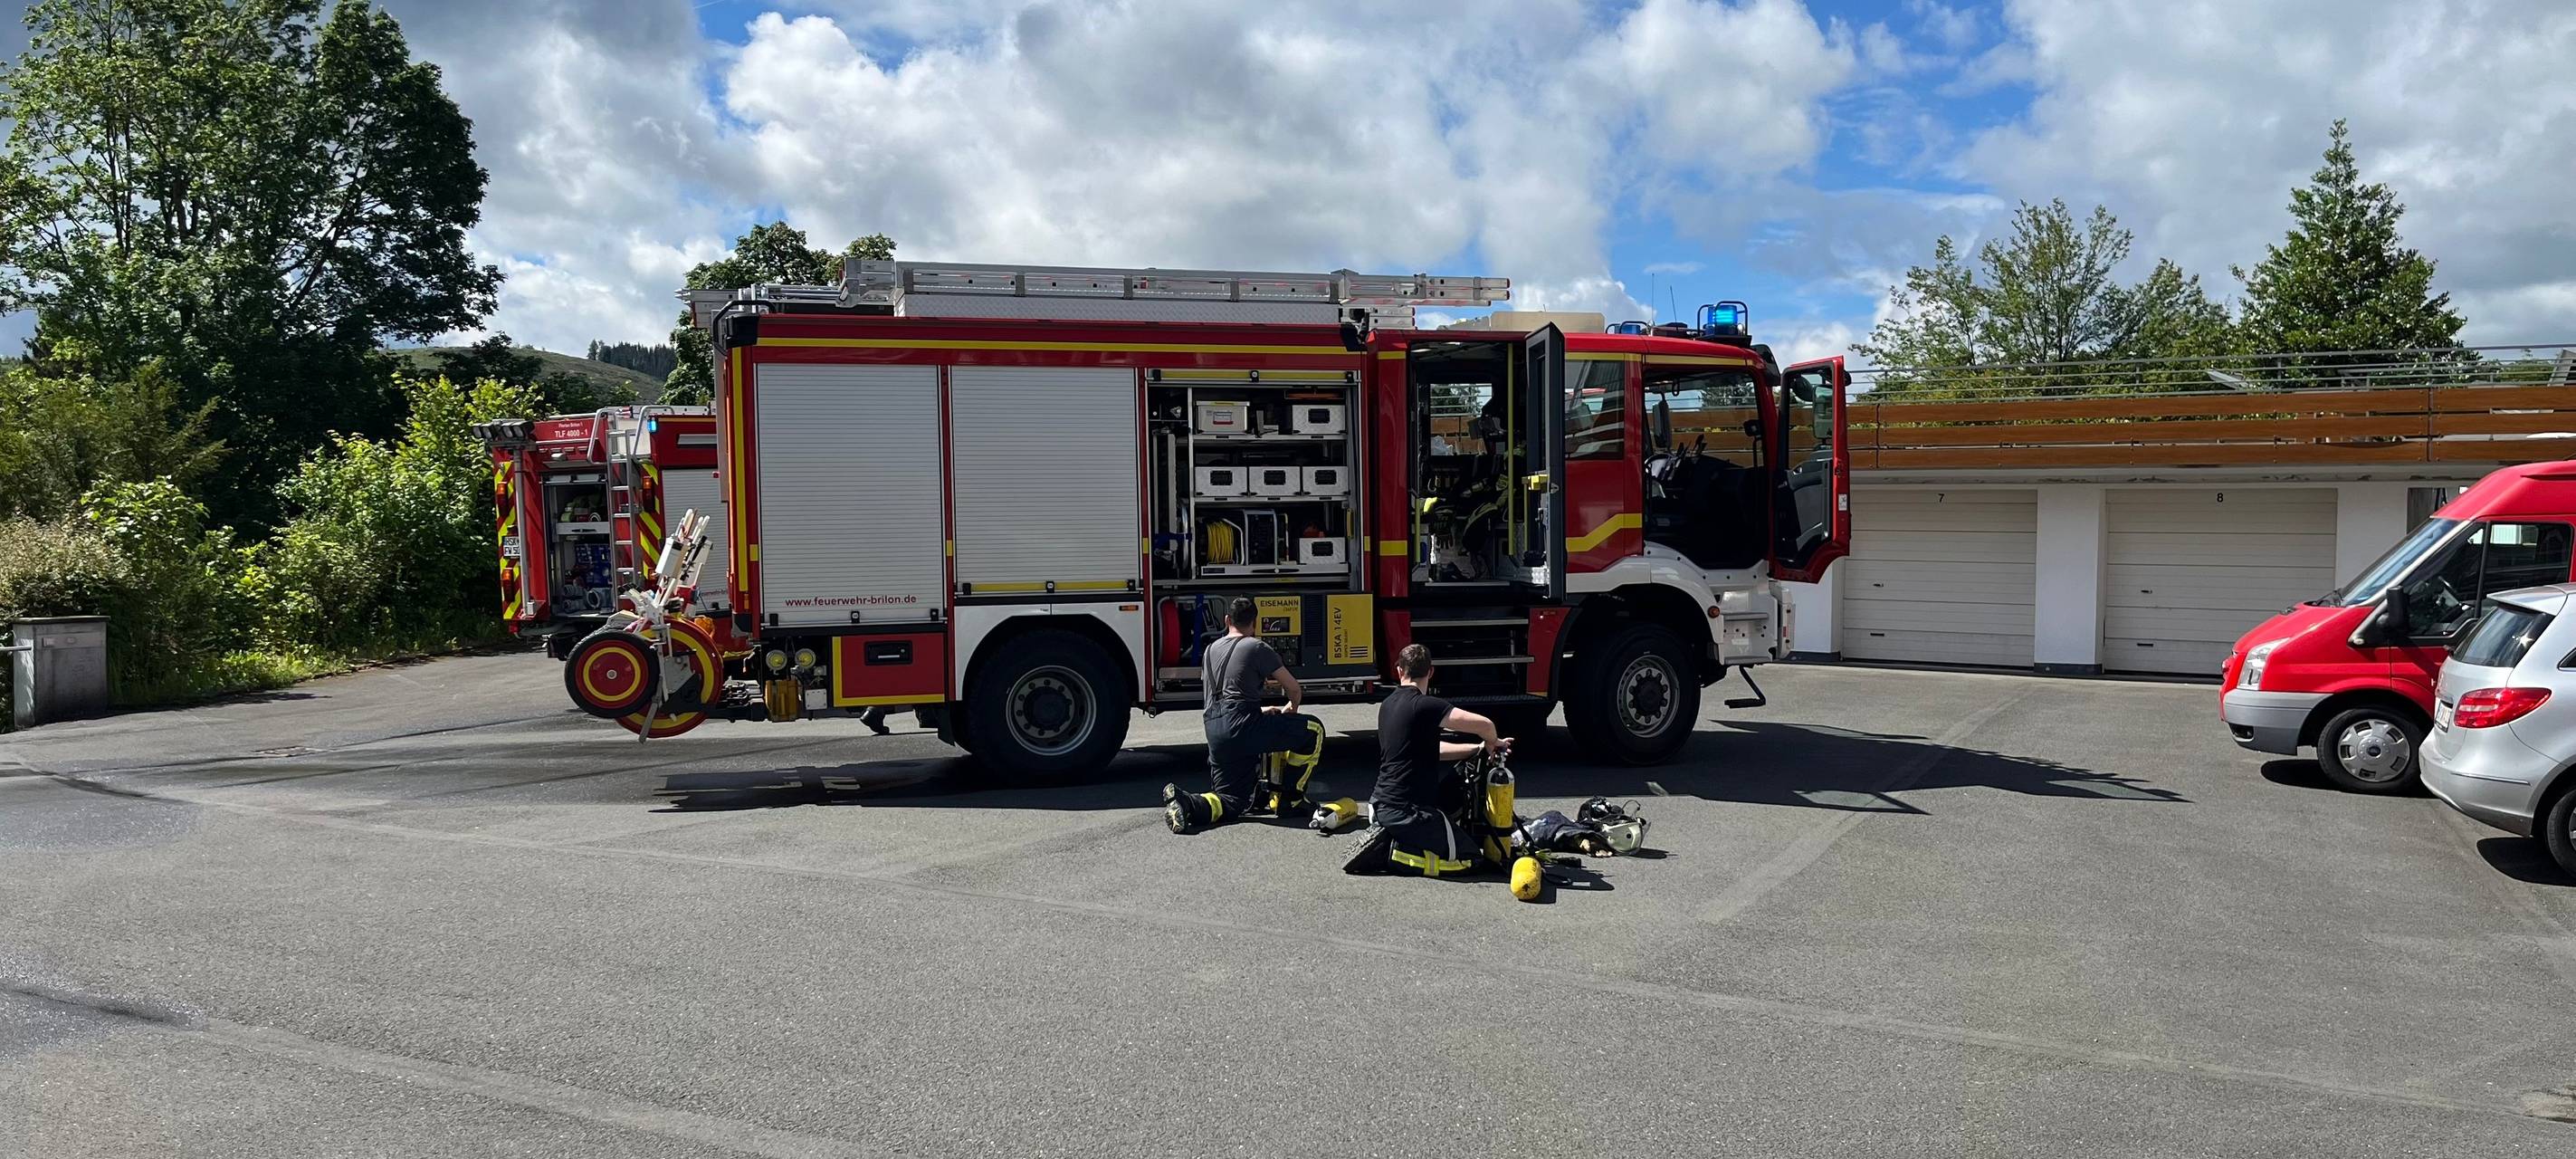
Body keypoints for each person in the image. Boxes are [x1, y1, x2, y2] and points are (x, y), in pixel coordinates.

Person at [1344, 643, 1510, 876]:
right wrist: (1494, 742)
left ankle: (1400, 839)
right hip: (1407, 812)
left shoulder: (1388, 705)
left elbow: (1432, 749)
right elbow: (1485, 724)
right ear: (1431, 672)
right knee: (1471, 859)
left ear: (1399, 670)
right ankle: (1393, 854)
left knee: (1463, 773)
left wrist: (1479, 748)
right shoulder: (1426, 705)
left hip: (1381, 805)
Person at [1164, 597, 1326, 833]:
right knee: (1314, 730)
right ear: (1255, 623)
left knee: (1232, 800)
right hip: (1243, 726)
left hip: (1215, 729)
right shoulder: (1256, 646)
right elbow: (1293, 688)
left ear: (1227, 620)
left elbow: (1220, 701)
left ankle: (1187, 803)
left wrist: (1260, 711)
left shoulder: (1210, 650)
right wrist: (1291, 708)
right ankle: (1292, 799)